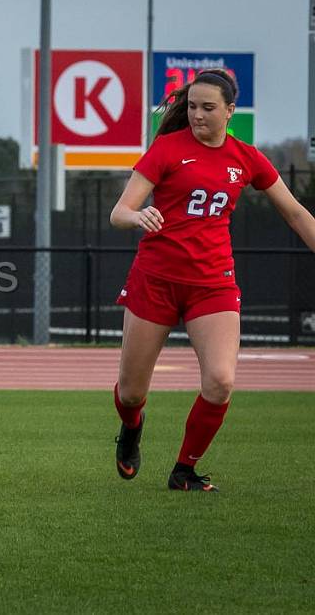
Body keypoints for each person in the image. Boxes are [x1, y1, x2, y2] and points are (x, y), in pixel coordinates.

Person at [110, 68, 315, 492]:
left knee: (220, 382)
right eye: (191, 107)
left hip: (213, 283)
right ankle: (131, 428)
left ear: (230, 111)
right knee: (131, 393)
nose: (198, 115)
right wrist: (137, 215)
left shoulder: (246, 156)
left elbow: (295, 213)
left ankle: (184, 469)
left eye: (208, 108)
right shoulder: (167, 148)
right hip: (156, 279)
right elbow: (119, 212)